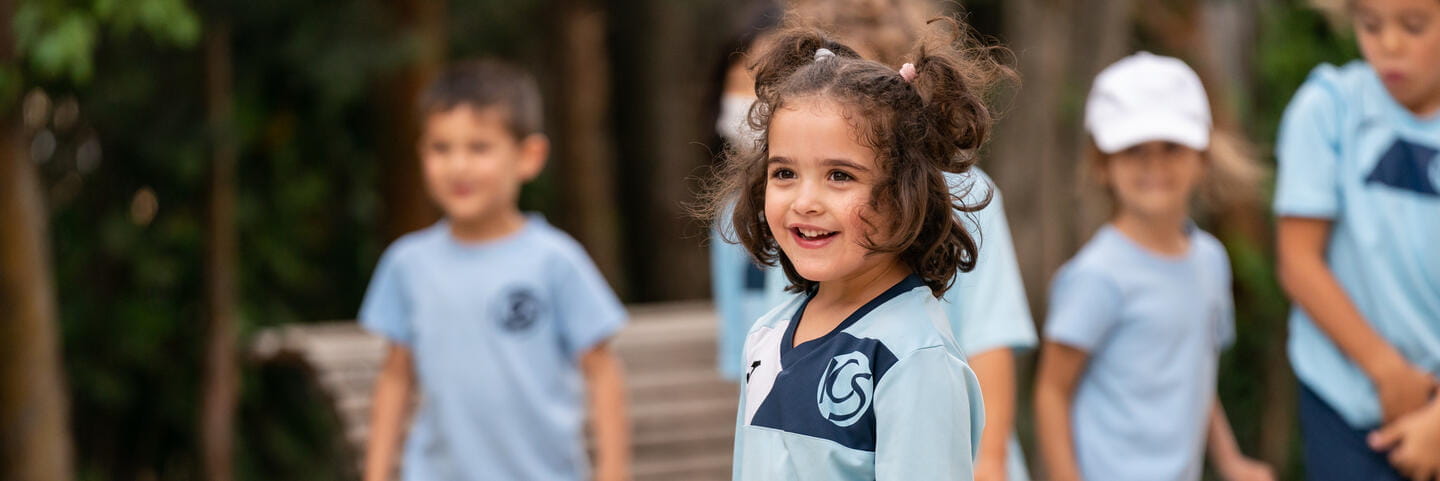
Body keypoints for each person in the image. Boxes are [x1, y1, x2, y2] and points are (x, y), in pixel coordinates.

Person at [710, 16, 1012, 479]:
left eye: (840, 175)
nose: (805, 202)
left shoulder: (913, 357)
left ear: (905, 194)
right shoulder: (767, 335)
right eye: (784, 173)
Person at [359, 60, 631, 481]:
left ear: (529, 156)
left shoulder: (556, 261)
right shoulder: (406, 264)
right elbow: (396, 377)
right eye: (441, 148)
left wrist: (612, 475)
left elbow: (603, 372)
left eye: (479, 147)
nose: (458, 166)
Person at [1032, 52, 1273, 481]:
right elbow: (1052, 393)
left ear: (1202, 157)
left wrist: (1231, 460)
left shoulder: (1212, 261)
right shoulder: (1096, 276)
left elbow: (1196, 373)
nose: (1154, 166)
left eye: (1171, 148)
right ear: (1103, 164)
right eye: (1134, 150)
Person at [1273, 1, 1440, 479]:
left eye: (1414, 26)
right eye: (1370, 25)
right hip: (1343, 409)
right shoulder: (1327, 108)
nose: (1389, 45)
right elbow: (1298, 261)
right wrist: (1388, 372)